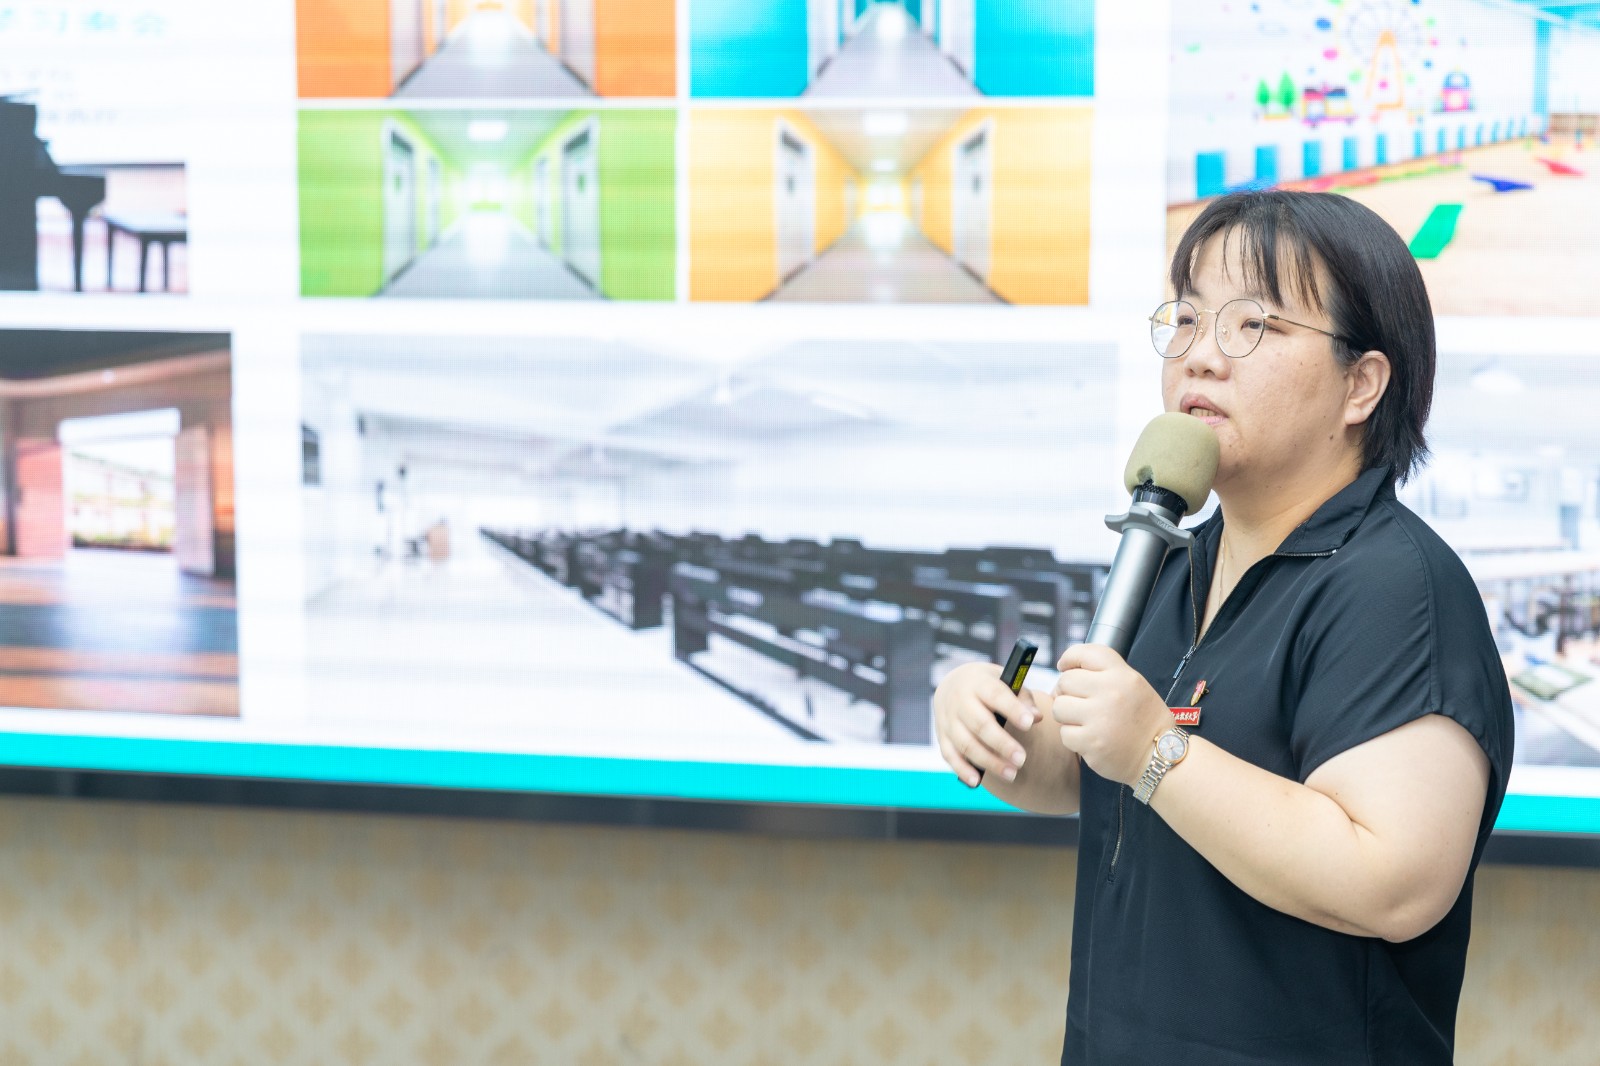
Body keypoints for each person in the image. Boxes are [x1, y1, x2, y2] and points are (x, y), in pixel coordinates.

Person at [932, 190, 1512, 1065]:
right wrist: (995, 721)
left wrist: (1152, 748)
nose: (1201, 356)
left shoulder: (1396, 588)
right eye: (1188, 319)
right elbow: (1101, 769)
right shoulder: (1172, 557)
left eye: (1253, 326)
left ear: (1361, 384)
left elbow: (1392, 881)